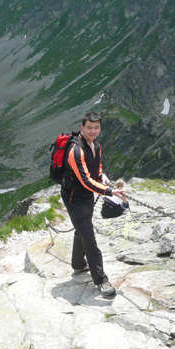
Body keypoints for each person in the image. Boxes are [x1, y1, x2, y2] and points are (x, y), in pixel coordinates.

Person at [61, 111, 126, 297]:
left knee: (82, 228)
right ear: (82, 127)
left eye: (96, 127)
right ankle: (101, 280)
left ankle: (78, 264)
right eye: (89, 127)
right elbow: (85, 180)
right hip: (74, 198)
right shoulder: (76, 150)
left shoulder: (96, 145)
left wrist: (102, 176)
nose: (93, 131)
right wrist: (109, 191)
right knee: (89, 237)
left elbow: (95, 169)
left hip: (86, 196)